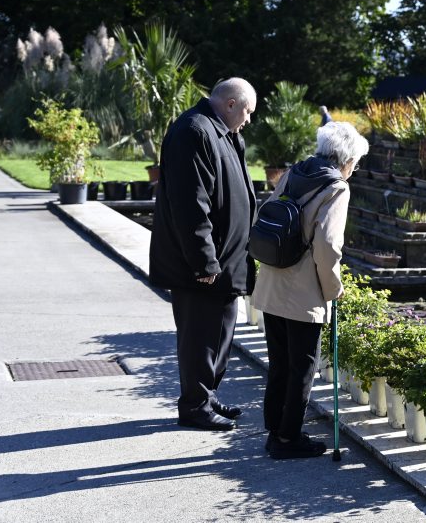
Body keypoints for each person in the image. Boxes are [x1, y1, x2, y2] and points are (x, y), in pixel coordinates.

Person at [252, 121, 368, 459]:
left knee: (279, 363)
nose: (354, 170)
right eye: (355, 164)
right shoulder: (336, 188)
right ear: (346, 160)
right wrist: (334, 288)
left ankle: (275, 429)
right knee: (302, 368)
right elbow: (328, 246)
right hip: (303, 291)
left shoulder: (295, 171)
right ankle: (288, 440)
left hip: (273, 280)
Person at [149, 77, 258, 431]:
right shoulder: (193, 131)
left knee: (220, 334)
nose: (248, 120)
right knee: (200, 337)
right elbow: (189, 204)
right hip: (201, 266)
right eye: (247, 111)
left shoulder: (224, 132)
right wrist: (204, 261)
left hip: (226, 261)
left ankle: (206, 397)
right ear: (230, 104)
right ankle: (195, 406)